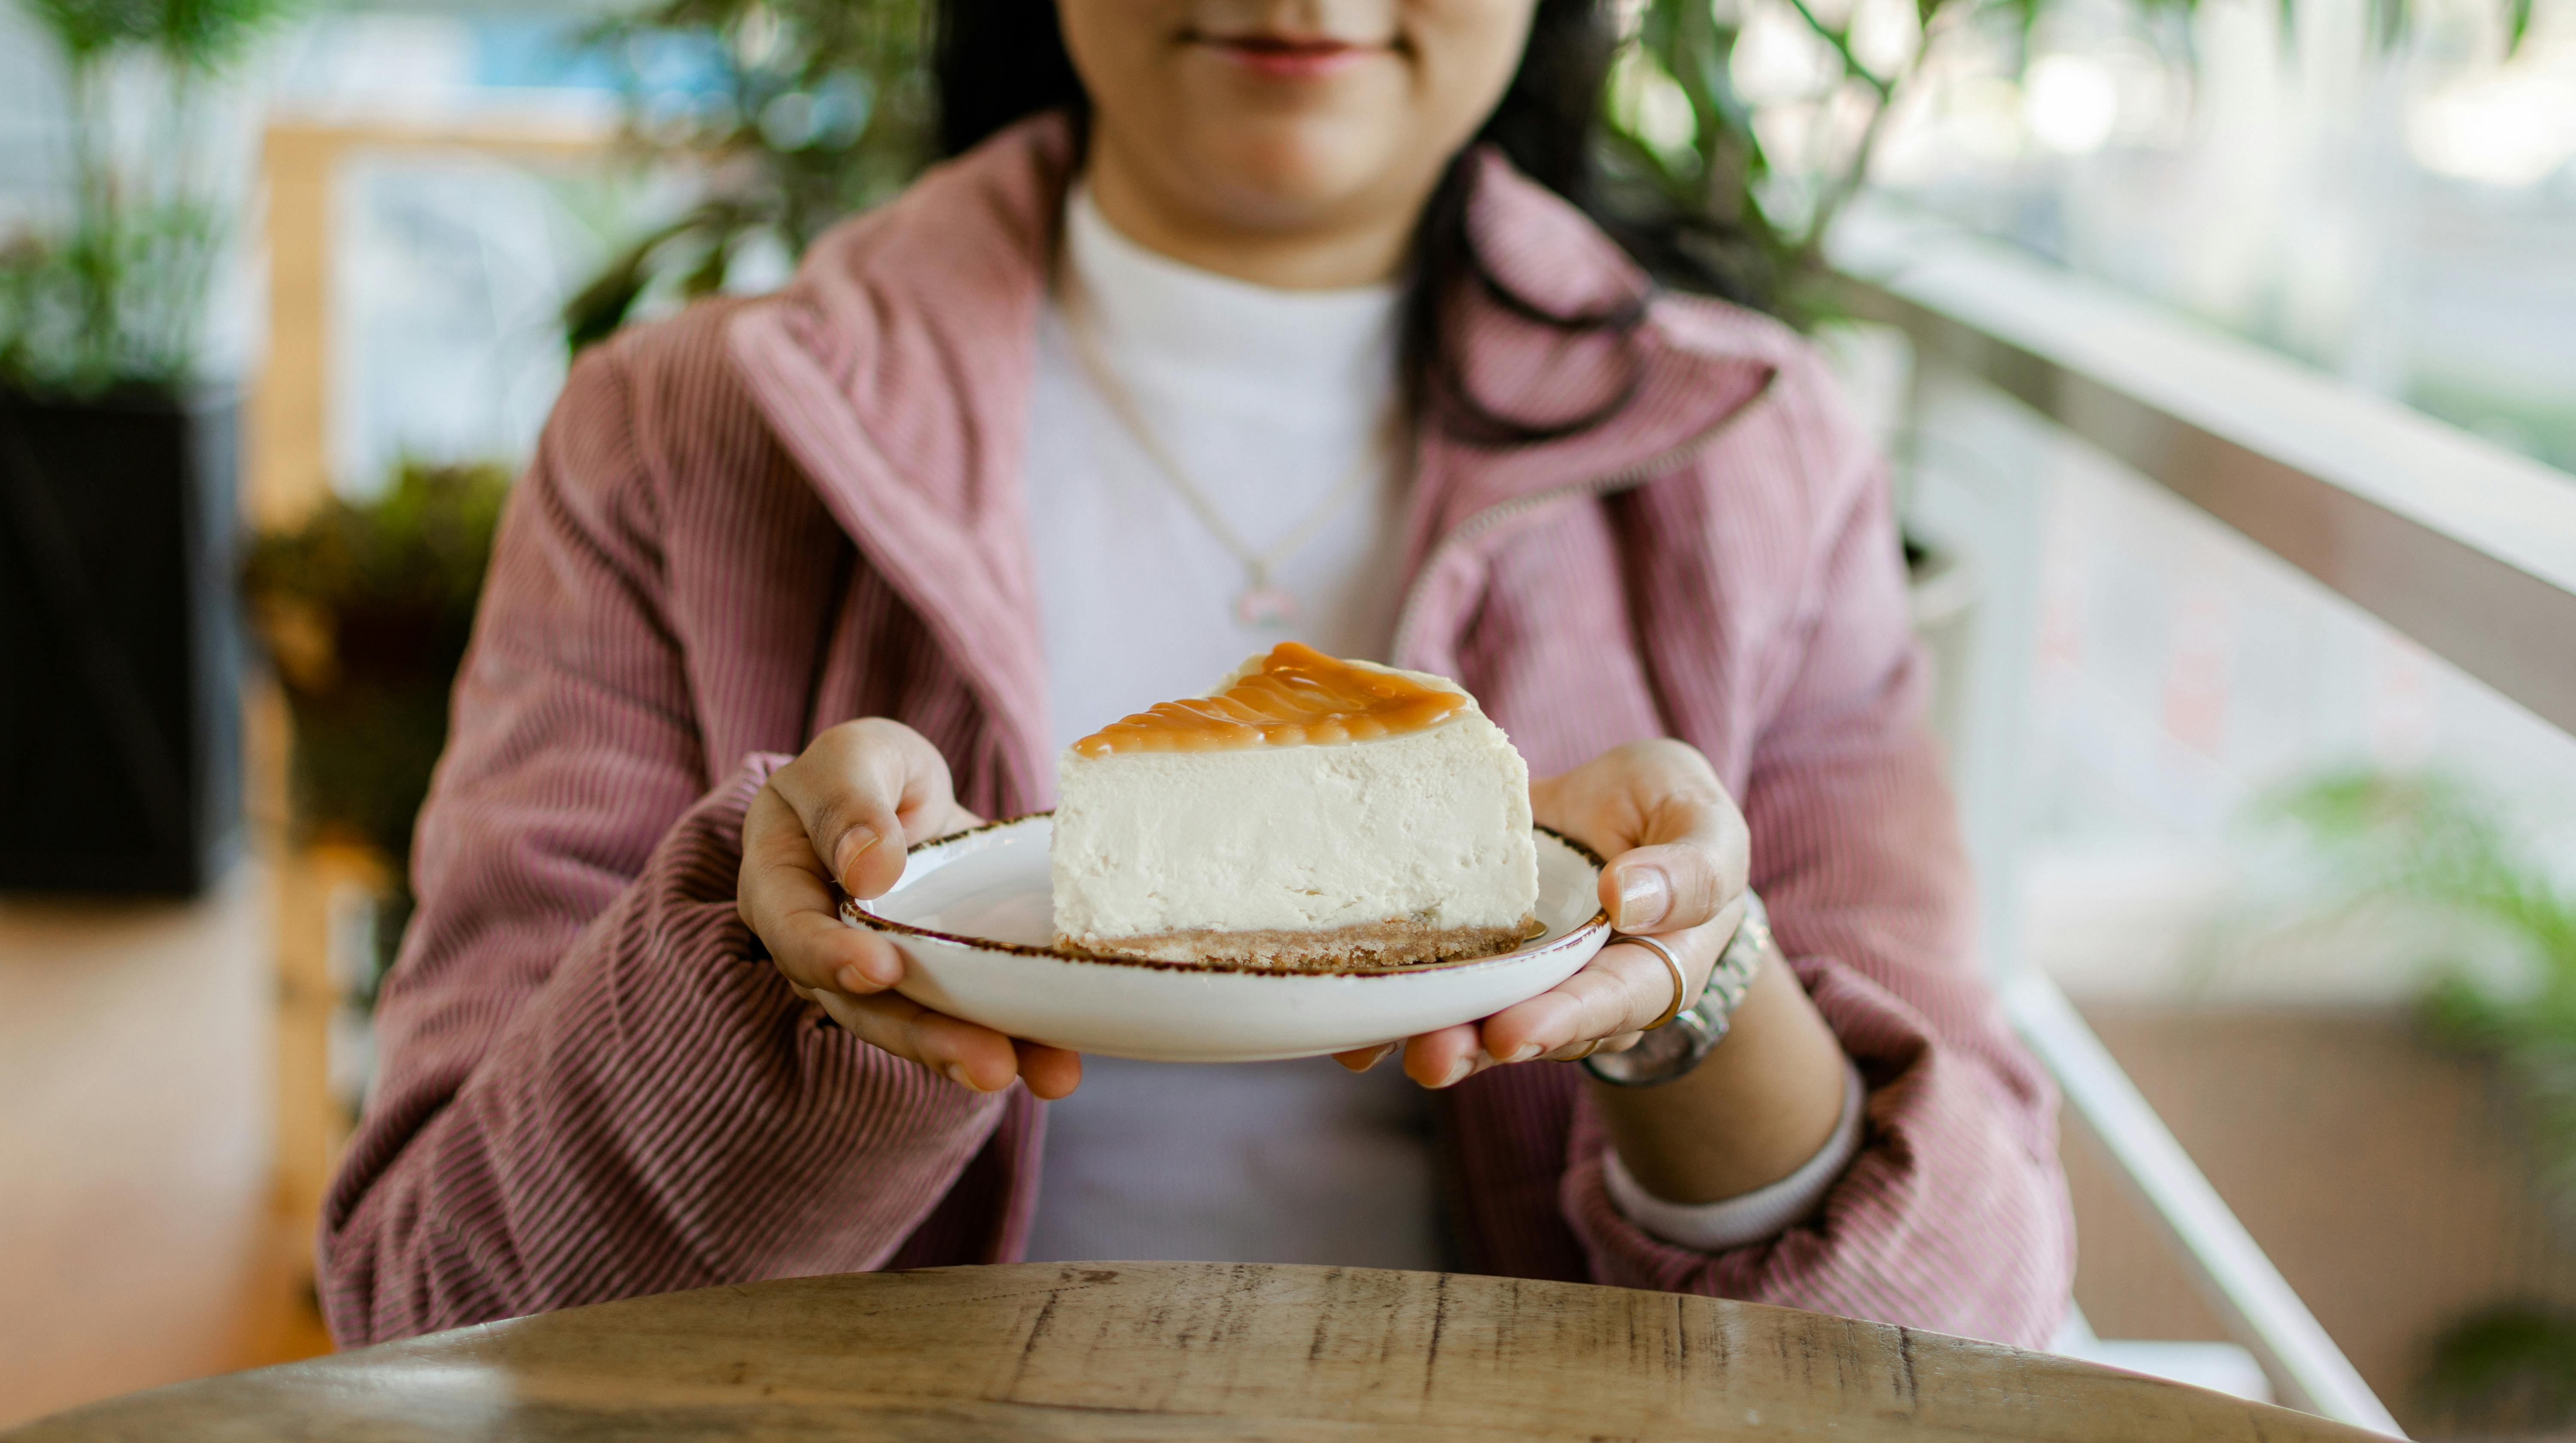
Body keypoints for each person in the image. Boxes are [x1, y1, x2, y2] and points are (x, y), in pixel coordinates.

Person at [319, 0, 2072, 1347]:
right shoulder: (682, 433)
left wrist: (1697, 986)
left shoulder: (1759, 454)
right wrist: (774, 975)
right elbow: (437, 1310)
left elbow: (1973, 1325)